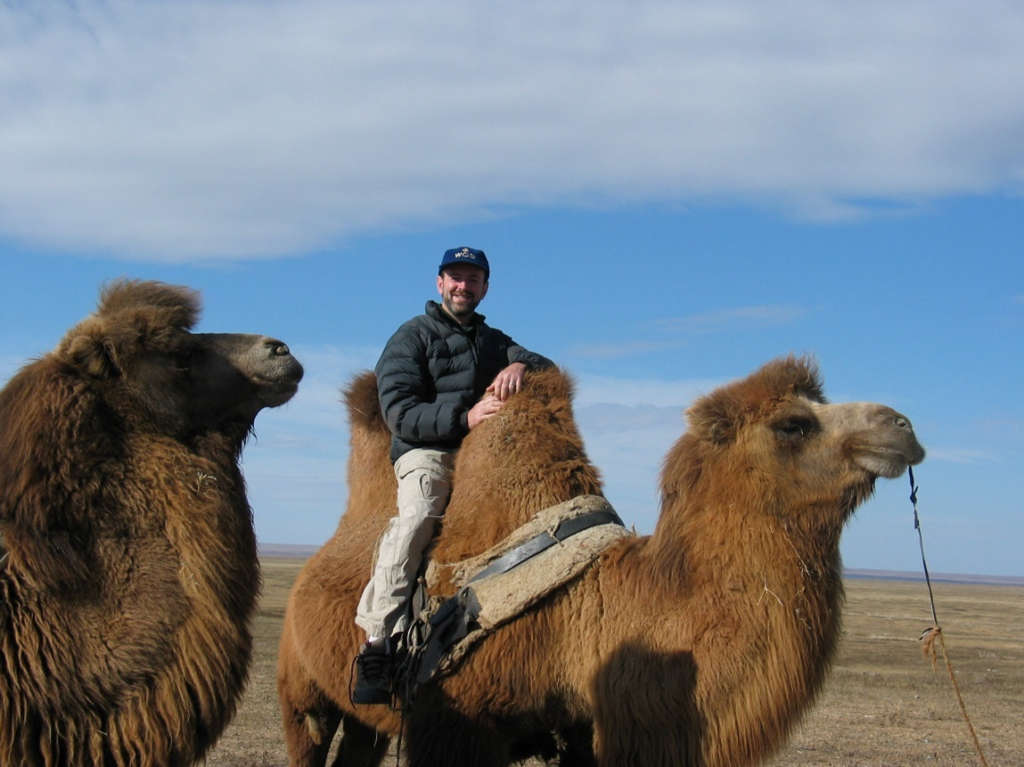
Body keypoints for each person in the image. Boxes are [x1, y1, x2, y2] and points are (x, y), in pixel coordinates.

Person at [352, 246, 553, 705]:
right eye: (456, 277)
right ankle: (377, 645)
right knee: (418, 517)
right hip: (427, 452)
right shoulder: (411, 337)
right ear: (440, 283)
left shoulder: (494, 340)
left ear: (485, 287)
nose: (464, 285)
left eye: (473, 278)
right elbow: (400, 414)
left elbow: (549, 366)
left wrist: (522, 364)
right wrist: (465, 418)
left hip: (483, 456)